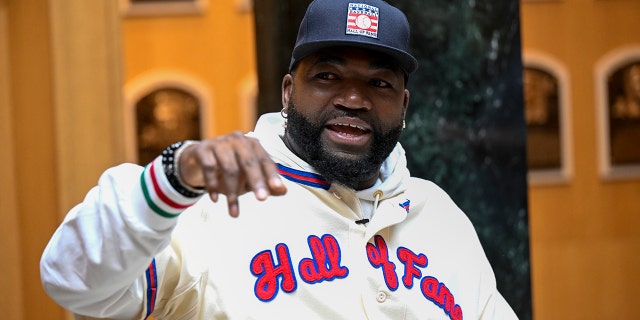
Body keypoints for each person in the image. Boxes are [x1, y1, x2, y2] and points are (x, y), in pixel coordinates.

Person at [40, 0, 519, 319]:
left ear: (404, 106)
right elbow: (76, 281)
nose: (354, 98)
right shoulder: (211, 205)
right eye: (328, 76)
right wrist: (171, 178)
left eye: (379, 83)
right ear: (288, 91)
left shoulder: (439, 214)